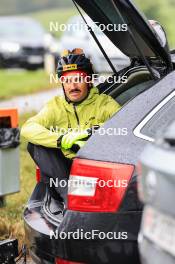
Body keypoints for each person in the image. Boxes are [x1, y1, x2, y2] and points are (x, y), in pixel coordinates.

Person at [21, 48, 121, 205]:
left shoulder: (105, 103)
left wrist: (90, 132)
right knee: (34, 145)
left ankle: (76, 199)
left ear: (89, 80)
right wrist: (62, 140)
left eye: (78, 79)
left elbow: (124, 127)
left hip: (94, 172)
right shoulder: (55, 105)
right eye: (67, 80)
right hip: (63, 173)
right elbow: (28, 128)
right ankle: (68, 198)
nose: (73, 86)